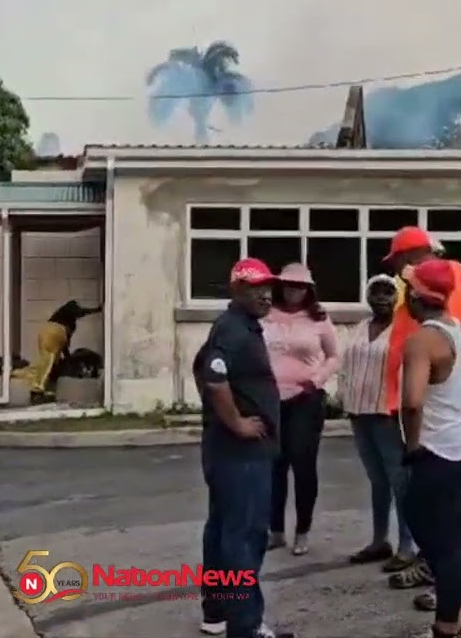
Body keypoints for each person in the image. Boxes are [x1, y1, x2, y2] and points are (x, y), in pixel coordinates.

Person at [195, 258, 294, 638]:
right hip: (240, 454)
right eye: (256, 288)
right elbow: (214, 377)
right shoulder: (234, 329)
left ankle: (217, 610)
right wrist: (235, 421)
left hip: (228, 452)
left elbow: (199, 367)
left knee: (222, 530)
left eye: (268, 287)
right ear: (236, 290)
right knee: (245, 536)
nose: (266, 294)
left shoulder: (237, 327)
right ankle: (246, 625)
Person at [398, 259, 461, 637]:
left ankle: (449, 621)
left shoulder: (421, 341)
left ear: (414, 297)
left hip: (440, 450)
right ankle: (455, 603)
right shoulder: (458, 330)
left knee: (446, 538)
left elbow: (412, 402)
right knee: (425, 521)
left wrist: (411, 443)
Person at [381, 227, 461, 593]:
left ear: (416, 255)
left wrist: (413, 439)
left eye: (401, 260)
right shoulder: (429, 284)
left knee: (433, 507)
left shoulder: (436, 285)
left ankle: (442, 583)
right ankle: (437, 572)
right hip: (426, 401)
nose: (398, 269)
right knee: (433, 505)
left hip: (430, 413)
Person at [340, 274, 418, 573]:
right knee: (377, 481)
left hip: (388, 414)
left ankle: (407, 545)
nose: (382, 298)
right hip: (359, 412)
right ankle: (378, 540)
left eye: (389, 292)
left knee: (400, 482)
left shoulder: (404, 330)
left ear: (397, 297)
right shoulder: (361, 327)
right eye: (376, 292)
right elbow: (348, 367)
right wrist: (345, 401)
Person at [262, 263, 340, 557]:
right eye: (290, 285)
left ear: (309, 289)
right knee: (274, 464)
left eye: (301, 286)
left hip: (305, 399)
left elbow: (333, 356)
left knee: (303, 462)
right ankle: (276, 530)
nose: (295, 291)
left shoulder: (318, 318)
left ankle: (303, 530)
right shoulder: (267, 315)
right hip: (271, 398)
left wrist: (316, 379)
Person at [14, 299, 102, 394]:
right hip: (54, 333)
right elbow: (81, 312)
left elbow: (64, 344)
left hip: (45, 332)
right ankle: (38, 388)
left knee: (44, 362)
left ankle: (15, 373)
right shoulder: (68, 314)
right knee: (49, 362)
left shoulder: (60, 317)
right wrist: (96, 309)